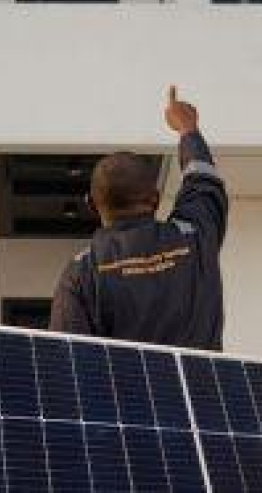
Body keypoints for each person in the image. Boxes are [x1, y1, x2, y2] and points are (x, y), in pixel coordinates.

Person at [49, 86, 228, 350]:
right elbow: (203, 181)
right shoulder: (195, 235)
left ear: (91, 205)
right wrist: (188, 129)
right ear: (155, 200)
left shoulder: (81, 273)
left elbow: (67, 361)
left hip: (126, 393)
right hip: (209, 391)